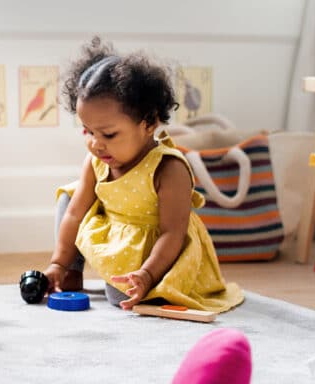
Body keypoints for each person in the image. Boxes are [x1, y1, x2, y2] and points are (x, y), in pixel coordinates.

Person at [42, 37, 244, 312]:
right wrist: (58, 263)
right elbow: (76, 214)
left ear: (148, 122)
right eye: (88, 131)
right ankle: (70, 273)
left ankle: (142, 279)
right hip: (114, 231)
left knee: (119, 297)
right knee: (68, 198)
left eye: (109, 134)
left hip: (156, 248)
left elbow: (173, 233)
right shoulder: (96, 160)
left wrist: (147, 275)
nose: (96, 143)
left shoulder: (169, 168)